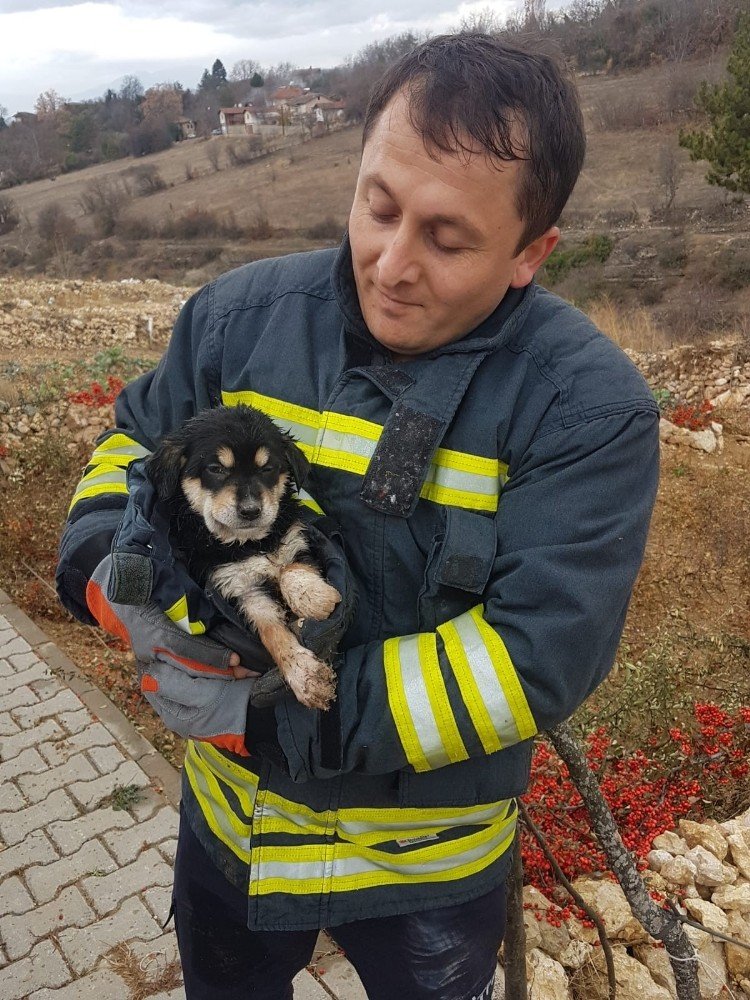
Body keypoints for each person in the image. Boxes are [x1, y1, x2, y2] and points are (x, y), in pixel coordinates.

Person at [57, 33, 660, 1000]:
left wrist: (269, 723)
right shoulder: (235, 318)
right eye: (377, 207)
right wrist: (104, 579)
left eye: (448, 238)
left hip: (424, 872)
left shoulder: (585, 410)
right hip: (233, 832)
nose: (390, 263)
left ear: (530, 254)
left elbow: (533, 657)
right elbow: (132, 444)